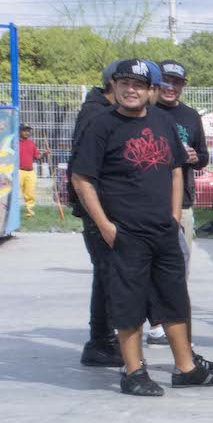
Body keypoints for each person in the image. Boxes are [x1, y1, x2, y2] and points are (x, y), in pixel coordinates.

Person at [70, 59, 213, 396]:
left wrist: (172, 216)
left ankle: (186, 368)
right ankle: (134, 371)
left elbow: (174, 168)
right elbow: (81, 178)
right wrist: (105, 225)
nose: (131, 90)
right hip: (124, 232)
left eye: (139, 85)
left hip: (162, 230)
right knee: (128, 304)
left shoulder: (162, 120)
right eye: (124, 83)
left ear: (150, 90)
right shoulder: (101, 125)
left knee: (174, 299)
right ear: (113, 85)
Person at [146, 60, 209, 347]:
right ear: (156, 83)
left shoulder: (190, 116)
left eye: (177, 82)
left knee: (177, 270)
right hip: (147, 204)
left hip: (181, 204)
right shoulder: (146, 112)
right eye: (166, 81)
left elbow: (204, 157)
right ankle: (153, 323)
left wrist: (197, 158)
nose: (171, 87)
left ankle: (173, 327)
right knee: (143, 269)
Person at [70, 61, 123, 368]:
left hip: (99, 208)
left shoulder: (95, 110)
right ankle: (99, 341)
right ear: (112, 84)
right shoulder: (98, 115)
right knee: (106, 275)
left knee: (106, 275)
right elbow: (84, 171)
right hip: (98, 211)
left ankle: (104, 338)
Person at [17, 123, 43, 217]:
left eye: (28, 131)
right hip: (18, 171)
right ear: (19, 131)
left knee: (30, 193)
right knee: (16, 193)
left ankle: (30, 213)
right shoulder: (14, 142)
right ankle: (13, 213)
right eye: (24, 130)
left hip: (30, 171)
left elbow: (37, 156)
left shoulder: (31, 143)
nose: (27, 133)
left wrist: (45, 153)